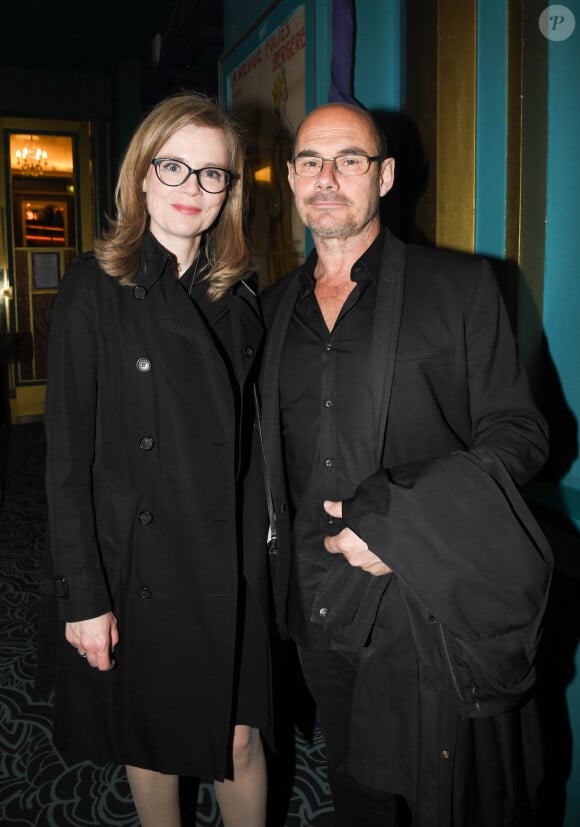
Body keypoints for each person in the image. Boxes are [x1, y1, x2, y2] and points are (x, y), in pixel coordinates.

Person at [259, 102, 552, 826]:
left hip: (417, 601)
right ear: (291, 178)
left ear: (384, 175)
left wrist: (400, 523)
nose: (327, 178)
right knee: (354, 786)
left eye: (348, 159)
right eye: (309, 162)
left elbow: (520, 433)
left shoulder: (462, 288)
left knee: (441, 801)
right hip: (312, 605)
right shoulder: (263, 314)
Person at [37, 92, 270, 827]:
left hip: (229, 559)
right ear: (142, 176)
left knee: (238, 738)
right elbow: (66, 461)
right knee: (157, 740)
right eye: (174, 167)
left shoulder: (240, 294)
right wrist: (83, 596)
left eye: (212, 174)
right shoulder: (93, 288)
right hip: (143, 563)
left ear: (230, 190)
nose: (191, 189)